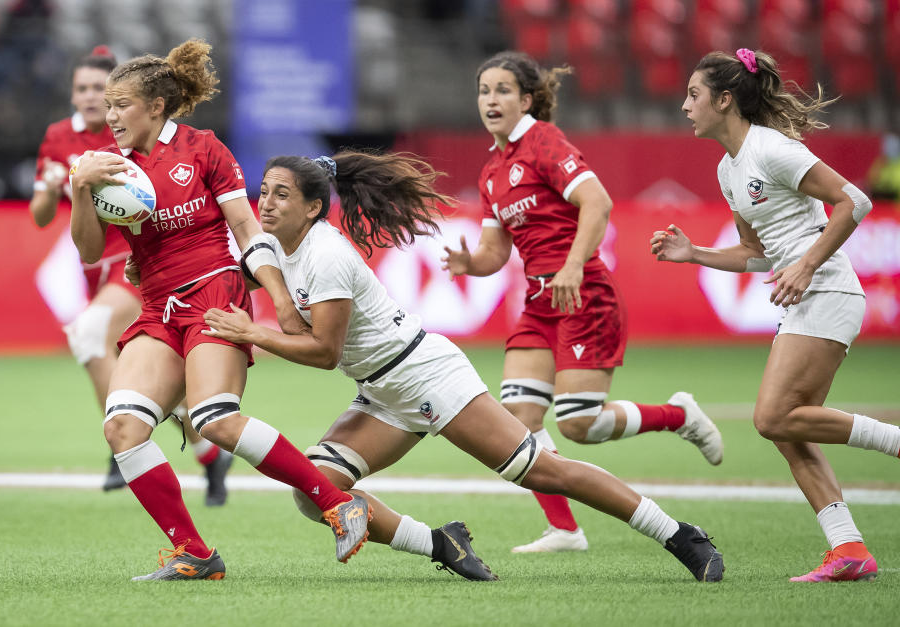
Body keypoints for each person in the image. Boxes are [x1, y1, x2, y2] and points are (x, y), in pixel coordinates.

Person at [202, 151, 725, 583]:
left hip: (426, 374)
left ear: (315, 207)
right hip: (383, 392)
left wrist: (254, 333)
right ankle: (441, 543)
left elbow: (324, 352)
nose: (265, 204)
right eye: (264, 191)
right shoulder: (276, 246)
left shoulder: (328, 255)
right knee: (316, 489)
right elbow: (237, 272)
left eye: (281, 194)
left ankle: (679, 534)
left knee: (542, 471)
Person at [68, 38, 371, 581]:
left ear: (155, 106)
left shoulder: (203, 148)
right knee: (122, 429)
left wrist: (277, 301)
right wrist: (79, 190)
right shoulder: (109, 169)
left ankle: (336, 503)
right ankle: (196, 554)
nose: (109, 116)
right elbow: (91, 253)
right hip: (159, 307)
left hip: (214, 294)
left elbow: (247, 228)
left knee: (215, 420)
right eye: (106, 106)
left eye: (121, 105)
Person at [440, 50, 724, 553]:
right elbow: (493, 252)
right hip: (538, 305)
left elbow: (598, 203)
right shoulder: (491, 169)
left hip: (584, 294)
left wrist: (571, 265)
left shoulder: (544, 141)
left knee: (577, 425)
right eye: (484, 91)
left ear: (526, 99)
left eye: (502, 90)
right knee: (518, 422)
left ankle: (678, 416)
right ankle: (565, 530)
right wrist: (470, 264)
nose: (491, 99)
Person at [651, 48, 900, 583]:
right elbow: (754, 253)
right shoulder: (728, 169)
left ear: (724, 99)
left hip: (828, 290)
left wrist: (807, 265)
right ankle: (848, 549)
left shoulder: (773, 149)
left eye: (694, 95)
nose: (684, 105)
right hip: (805, 297)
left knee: (772, 418)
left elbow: (854, 200)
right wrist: (694, 254)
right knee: (787, 430)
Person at [29, 45, 233, 505]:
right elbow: (41, 217)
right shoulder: (61, 138)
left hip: (138, 267)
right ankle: (206, 456)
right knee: (157, 382)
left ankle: (118, 445)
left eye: (101, 91)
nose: (91, 99)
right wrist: (56, 182)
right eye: (81, 89)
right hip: (94, 269)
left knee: (87, 333)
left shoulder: (142, 140)